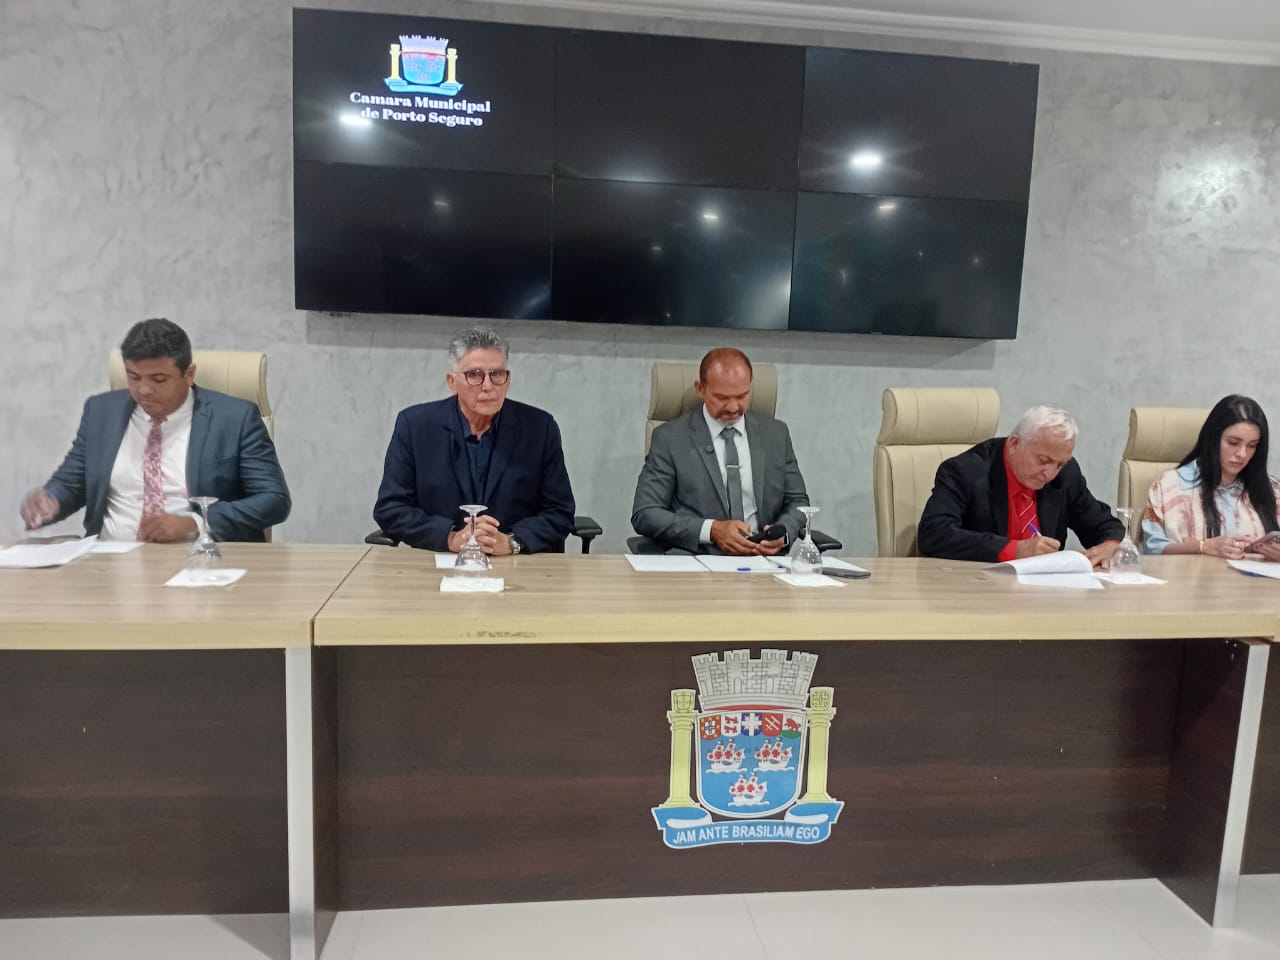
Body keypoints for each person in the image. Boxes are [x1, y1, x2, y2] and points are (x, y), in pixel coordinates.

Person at [20, 318, 290, 542]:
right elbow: (72, 483)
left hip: (198, 561)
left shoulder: (235, 418)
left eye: (158, 379)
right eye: (133, 377)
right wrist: (51, 501)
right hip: (110, 564)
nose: (143, 390)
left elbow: (273, 500)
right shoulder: (100, 412)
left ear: (189, 374)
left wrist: (194, 523)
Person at [373, 325, 574, 554]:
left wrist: (512, 542)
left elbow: (560, 512)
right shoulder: (415, 426)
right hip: (439, 560)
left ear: (507, 379)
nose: (488, 386)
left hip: (515, 562)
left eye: (497, 374)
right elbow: (391, 509)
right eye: (475, 375)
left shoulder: (540, 428)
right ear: (452, 382)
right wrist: (449, 538)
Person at [631, 348, 809, 555]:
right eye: (722, 397)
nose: (733, 407)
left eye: (742, 396)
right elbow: (646, 513)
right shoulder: (670, 438)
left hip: (763, 560)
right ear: (700, 389)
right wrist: (712, 530)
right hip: (699, 559)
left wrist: (783, 533)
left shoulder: (776, 434)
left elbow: (798, 503)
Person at [917, 405, 1123, 565]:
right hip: (980, 590)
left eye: (1060, 464)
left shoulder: (1066, 475)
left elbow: (1104, 524)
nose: (1050, 473)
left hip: (1044, 594)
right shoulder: (966, 471)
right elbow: (934, 534)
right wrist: (1014, 550)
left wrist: (1110, 546)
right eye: (1043, 460)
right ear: (1015, 444)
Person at [1141, 395, 1280, 560]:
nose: (1242, 454)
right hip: (1190, 576)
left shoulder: (1273, 491)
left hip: (1255, 577)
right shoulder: (1168, 487)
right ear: (1213, 438)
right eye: (1233, 443)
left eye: (1252, 445)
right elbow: (1151, 549)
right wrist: (1203, 547)